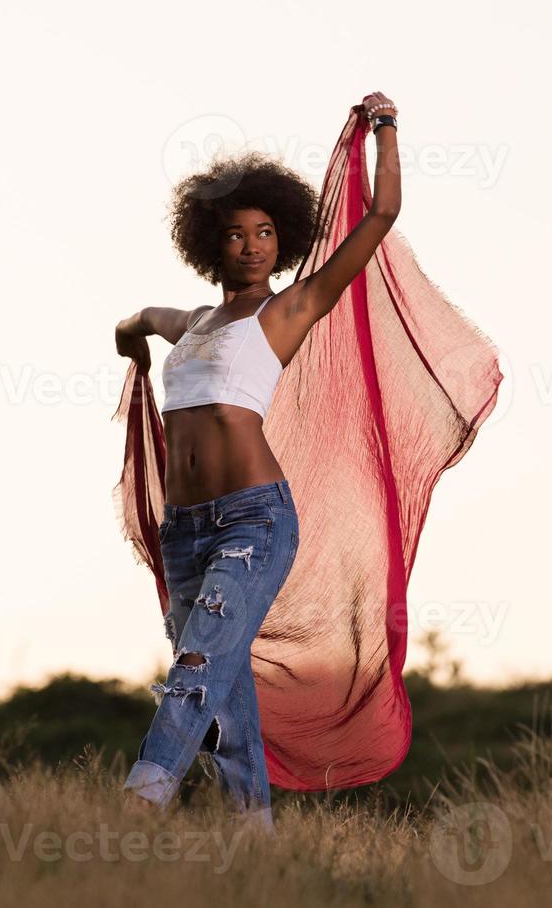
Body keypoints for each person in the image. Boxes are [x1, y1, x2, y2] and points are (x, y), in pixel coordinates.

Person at [113, 92, 401, 833]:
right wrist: (130, 333)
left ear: (284, 241)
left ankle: (140, 797)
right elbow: (146, 316)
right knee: (224, 698)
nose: (251, 246)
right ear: (213, 243)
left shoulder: (289, 311)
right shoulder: (197, 324)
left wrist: (382, 133)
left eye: (266, 233)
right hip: (185, 530)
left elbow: (377, 220)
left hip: (253, 516)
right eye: (236, 234)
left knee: (196, 666)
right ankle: (254, 843)